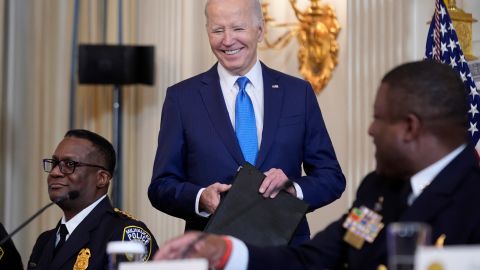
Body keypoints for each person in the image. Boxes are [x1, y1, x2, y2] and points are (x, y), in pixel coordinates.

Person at [153, 60, 480, 270]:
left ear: (410, 127)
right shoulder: (378, 192)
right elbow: (316, 257)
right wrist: (222, 251)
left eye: (379, 119)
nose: (370, 130)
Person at [148, 0, 345, 245]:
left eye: (238, 29)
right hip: (212, 249)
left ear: (260, 30)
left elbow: (331, 177)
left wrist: (293, 190)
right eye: (217, 30)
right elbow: (161, 186)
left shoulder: (298, 93)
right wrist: (200, 198)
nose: (228, 40)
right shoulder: (182, 98)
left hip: (285, 251)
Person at [28, 129, 159, 270]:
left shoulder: (125, 235)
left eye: (69, 164)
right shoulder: (45, 241)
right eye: (54, 163)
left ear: (101, 178)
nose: (54, 172)